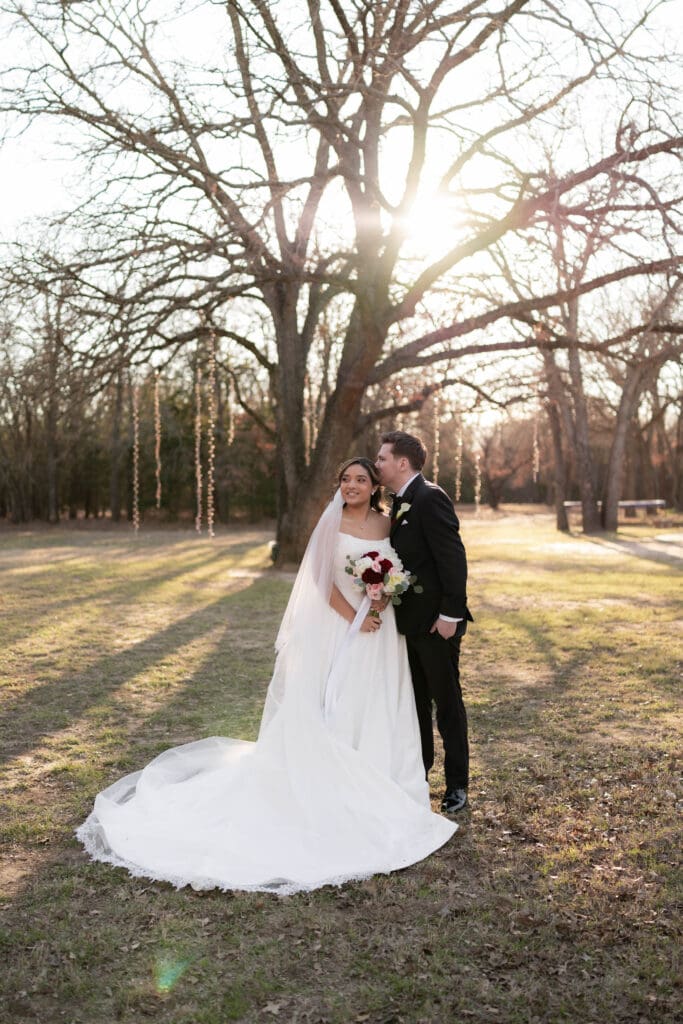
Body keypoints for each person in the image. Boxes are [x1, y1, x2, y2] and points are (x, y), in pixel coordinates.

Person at [76, 457, 456, 894]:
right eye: (345, 480)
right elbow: (319, 580)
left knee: (380, 701)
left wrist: (382, 601)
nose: (351, 486)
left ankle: (384, 778)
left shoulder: (389, 524)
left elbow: (396, 573)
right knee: (338, 701)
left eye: (361, 480)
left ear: (374, 487)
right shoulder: (330, 521)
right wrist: (357, 616)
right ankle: (333, 785)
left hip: (381, 632)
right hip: (341, 628)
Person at [376, 431, 473, 815]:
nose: (378, 463)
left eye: (383, 458)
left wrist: (450, 615)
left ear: (403, 463)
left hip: (436, 624)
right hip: (407, 625)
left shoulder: (430, 497)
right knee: (414, 703)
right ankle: (420, 775)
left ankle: (457, 785)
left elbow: (453, 559)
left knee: (446, 704)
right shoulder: (397, 501)